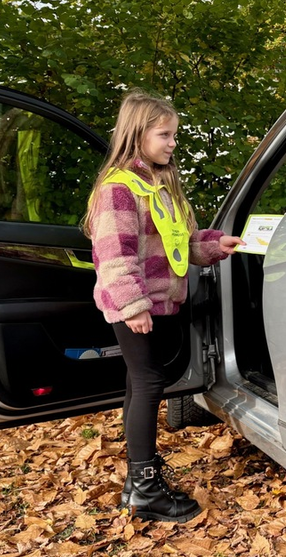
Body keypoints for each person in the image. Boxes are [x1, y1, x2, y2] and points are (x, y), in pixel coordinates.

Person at [83, 89, 244, 523]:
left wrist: (212, 245)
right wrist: (133, 305)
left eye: (174, 134)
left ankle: (139, 481)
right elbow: (115, 254)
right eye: (165, 134)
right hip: (137, 305)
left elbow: (177, 243)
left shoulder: (158, 186)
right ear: (138, 134)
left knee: (142, 383)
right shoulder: (119, 189)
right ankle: (145, 488)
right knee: (149, 383)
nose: (173, 142)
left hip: (158, 302)